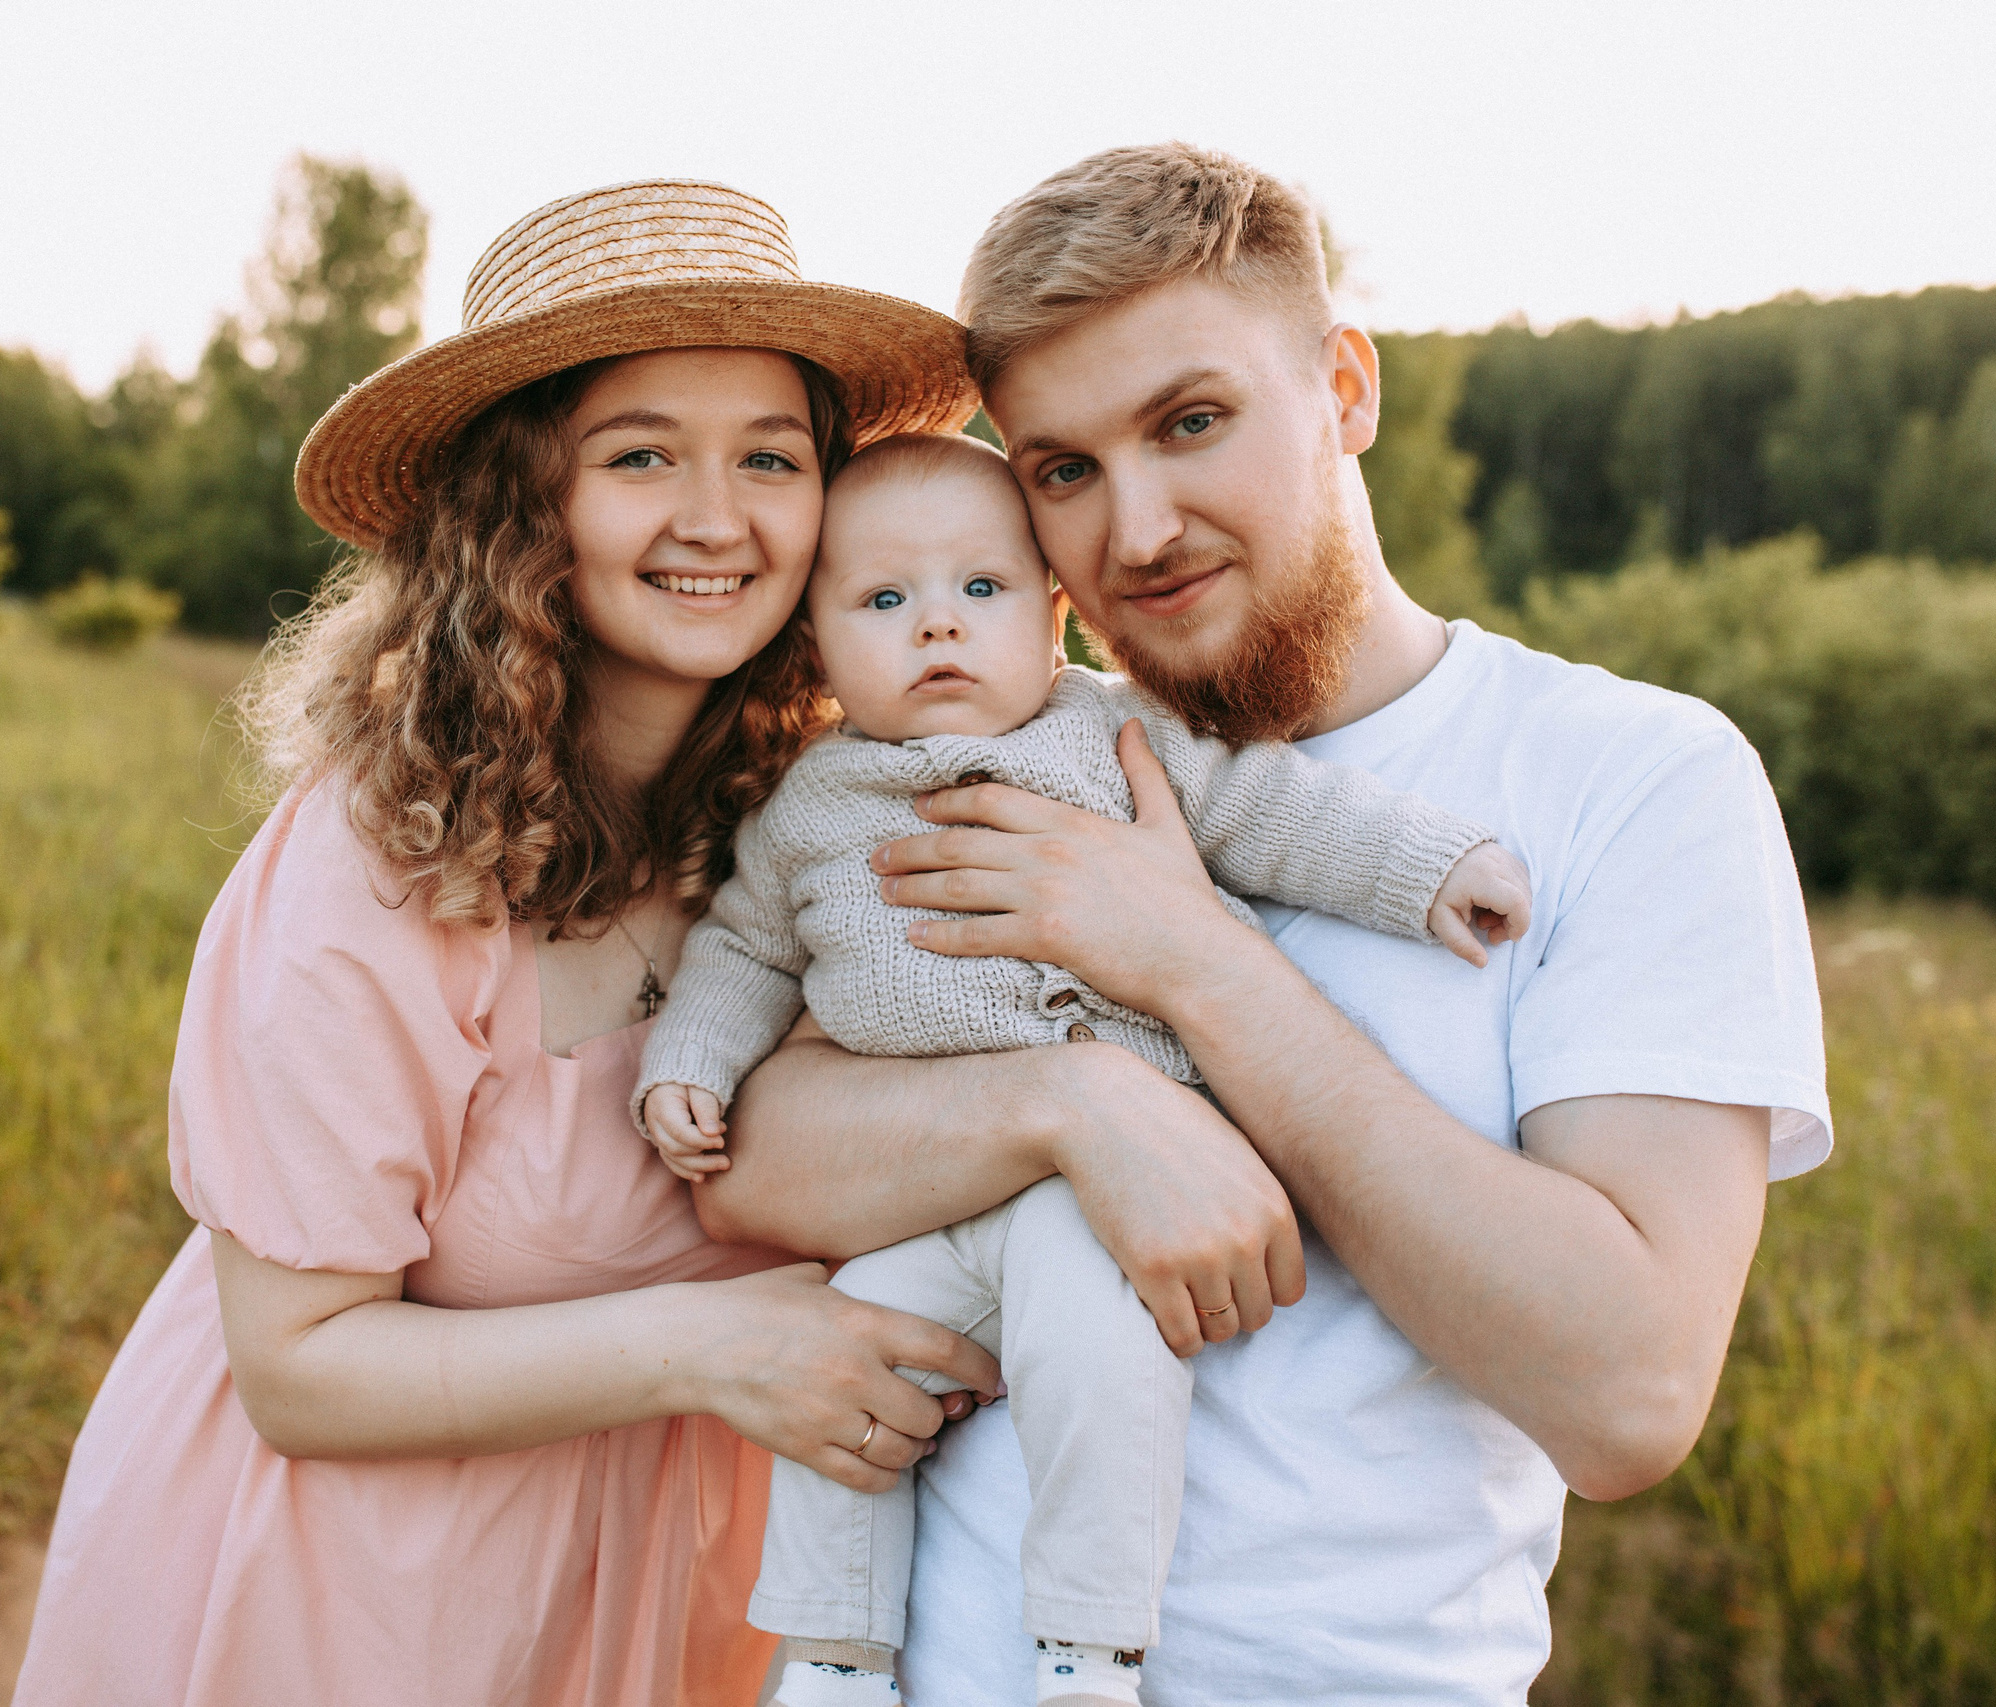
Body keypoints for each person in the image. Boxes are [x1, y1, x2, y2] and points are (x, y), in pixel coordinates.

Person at [698, 144, 1833, 1706]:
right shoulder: (980, 760)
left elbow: (1626, 1387)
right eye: (1064, 469)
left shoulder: (1627, 779)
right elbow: (753, 1157)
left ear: (1346, 388)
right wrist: (1074, 1098)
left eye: (1193, 421)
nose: (1140, 525)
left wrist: (1189, 960)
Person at [9, 179, 1003, 1707]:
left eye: (771, 457)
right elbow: (299, 1364)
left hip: (667, 1594)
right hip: (359, 1596)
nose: (716, 517)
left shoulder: (807, 815)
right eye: (639, 455)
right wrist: (703, 1346)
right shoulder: (383, 858)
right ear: (521, 497)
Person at [634, 430, 1530, 1706]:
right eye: (884, 602)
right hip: (921, 1187)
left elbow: (1272, 812)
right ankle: (833, 1655)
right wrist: (692, 1064)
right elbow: (743, 952)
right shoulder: (809, 807)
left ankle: (1085, 1650)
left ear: (1055, 614)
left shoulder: (1114, 737)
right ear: (817, 645)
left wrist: (1423, 870)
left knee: (1101, 1353)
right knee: (843, 1372)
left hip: (1094, 1195)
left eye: (979, 592)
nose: (936, 628)